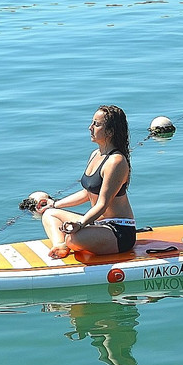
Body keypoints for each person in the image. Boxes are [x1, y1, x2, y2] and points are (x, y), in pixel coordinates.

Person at [37, 105, 135, 259]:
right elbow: (87, 193)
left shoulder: (116, 161)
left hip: (118, 230)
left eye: (96, 124)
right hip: (97, 224)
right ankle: (61, 245)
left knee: (74, 237)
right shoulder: (95, 154)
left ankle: (68, 242)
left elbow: (102, 204)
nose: (90, 128)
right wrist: (55, 204)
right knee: (49, 214)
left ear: (110, 131)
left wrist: (80, 224)